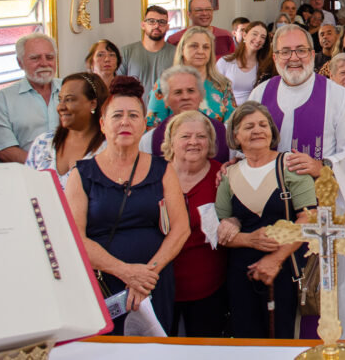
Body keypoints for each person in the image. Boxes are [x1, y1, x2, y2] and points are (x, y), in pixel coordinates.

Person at [246, 24, 345, 340]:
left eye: (301, 50)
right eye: (285, 51)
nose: (293, 58)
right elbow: (243, 143)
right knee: (277, 306)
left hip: (325, 219)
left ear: (313, 54)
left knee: (330, 301)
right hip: (273, 216)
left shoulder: (337, 96)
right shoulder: (261, 93)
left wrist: (324, 165)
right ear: (273, 56)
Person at [66, 77, 190, 332]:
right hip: (105, 283)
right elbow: (74, 238)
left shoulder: (162, 169)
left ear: (143, 125)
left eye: (133, 115)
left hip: (154, 282)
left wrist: (146, 275)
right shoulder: (81, 174)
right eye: (117, 115)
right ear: (102, 124)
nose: (125, 121)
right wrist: (126, 272)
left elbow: (181, 229)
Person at [215, 102, 315, 339]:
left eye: (263, 124)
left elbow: (309, 219)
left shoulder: (290, 166)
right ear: (236, 136)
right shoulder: (229, 174)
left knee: (282, 338)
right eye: (249, 126)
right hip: (241, 274)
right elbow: (221, 227)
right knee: (246, 341)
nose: (257, 130)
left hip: (284, 269)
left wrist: (275, 259)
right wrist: (243, 235)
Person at [161, 110, 227, 337]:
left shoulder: (223, 176)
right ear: (171, 141)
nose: (193, 142)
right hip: (161, 285)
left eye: (201, 136)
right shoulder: (153, 175)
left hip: (208, 288)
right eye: (185, 136)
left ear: (210, 142)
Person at [0, 32, 61, 162]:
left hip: (75, 171)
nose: (44, 63)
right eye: (35, 58)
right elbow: (4, 149)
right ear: (20, 63)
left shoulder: (72, 88)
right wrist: (44, 168)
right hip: (27, 174)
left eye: (49, 57)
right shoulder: (3, 100)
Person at [26, 72, 108, 189]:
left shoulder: (108, 150)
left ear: (93, 104)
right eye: (60, 100)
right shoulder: (43, 143)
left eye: (69, 100)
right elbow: (26, 189)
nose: (61, 107)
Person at [146, 27, 236, 128]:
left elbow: (232, 125)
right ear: (182, 49)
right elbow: (152, 127)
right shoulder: (165, 83)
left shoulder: (223, 84)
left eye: (206, 47)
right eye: (194, 46)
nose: (201, 51)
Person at [140, 66, 231, 162]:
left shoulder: (226, 135)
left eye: (191, 91)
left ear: (201, 95)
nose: (185, 97)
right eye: (178, 92)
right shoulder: (148, 142)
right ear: (166, 100)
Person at [118, 6, 177, 104]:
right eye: (151, 21)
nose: (157, 25)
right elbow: (118, 89)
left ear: (167, 27)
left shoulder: (176, 53)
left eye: (162, 22)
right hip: (134, 112)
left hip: (166, 114)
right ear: (143, 25)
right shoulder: (126, 52)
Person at [216, 21, 268, 105]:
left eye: (263, 37)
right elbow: (215, 91)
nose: (258, 39)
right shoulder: (225, 61)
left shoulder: (265, 66)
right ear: (244, 35)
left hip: (253, 111)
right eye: (255, 34)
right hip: (228, 112)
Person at [167, 0, 237, 58]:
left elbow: (233, 64)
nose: (204, 13)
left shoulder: (226, 36)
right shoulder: (175, 40)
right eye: (199, 10)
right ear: (189, 14)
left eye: (208, 9)